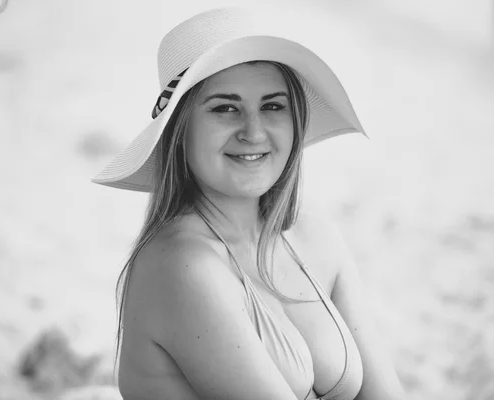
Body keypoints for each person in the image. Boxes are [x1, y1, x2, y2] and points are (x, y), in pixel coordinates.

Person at [91, 7, 406, 400]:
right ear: (179, 129)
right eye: (225, 108)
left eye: (273, 106)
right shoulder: (180, 266)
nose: (254, 132)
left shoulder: (316, 238)